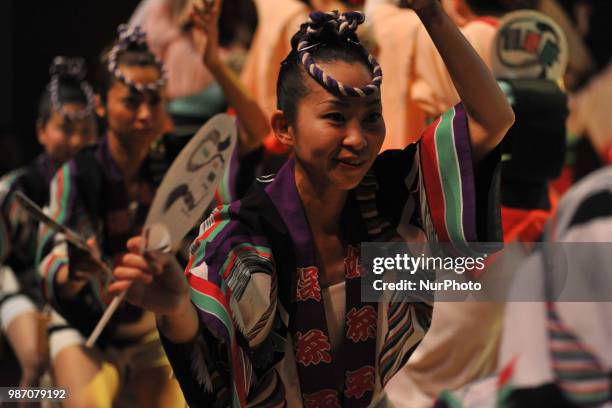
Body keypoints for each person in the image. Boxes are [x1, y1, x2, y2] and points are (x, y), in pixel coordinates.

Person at [111, 2, 514, 406]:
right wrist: (176, 307)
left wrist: (432, 13)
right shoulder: (239, 238)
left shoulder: (391, 193)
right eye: (336, 118)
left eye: (371, 117)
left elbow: (492, 120)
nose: (358, 138)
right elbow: (209, 370)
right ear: (284, 128)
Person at [36, 26, 185, 408]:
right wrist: (76, 270)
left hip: (151, 331)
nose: (145, 114)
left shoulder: (175, 166)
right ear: (100, 105)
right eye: (131, 102)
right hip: (85, 329)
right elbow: (51, 262)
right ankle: (31, 388)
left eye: (155, 101)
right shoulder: (76, 175)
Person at [0, 57, 97, 392]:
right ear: (41, 131)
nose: (76, 141)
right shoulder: (14, 189)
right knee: (36, 359)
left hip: (73, 291)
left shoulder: (98, 186)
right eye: (65, 129)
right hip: (21, 285)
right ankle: (25, 393)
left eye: (86, 131)